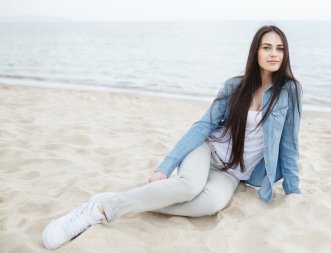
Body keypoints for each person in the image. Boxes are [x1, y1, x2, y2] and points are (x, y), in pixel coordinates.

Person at [42, 25, 302, 250]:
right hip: (207, 150)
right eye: (267, 47)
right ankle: (99, 211)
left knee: (209, 204)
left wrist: (293, 191)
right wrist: (164, 168)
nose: (273, 54)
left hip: (232, 172)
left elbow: (290, 143)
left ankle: (109, 199)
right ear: (255, 52)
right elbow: (203, 126)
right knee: (188, 187)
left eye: (279, 49)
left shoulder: (289, 92)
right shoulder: (235, 86)